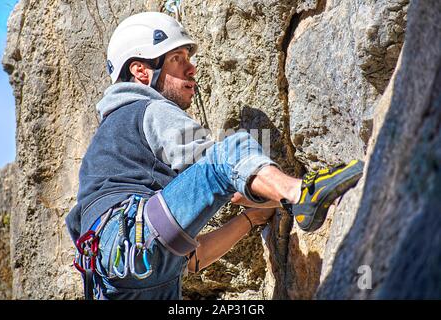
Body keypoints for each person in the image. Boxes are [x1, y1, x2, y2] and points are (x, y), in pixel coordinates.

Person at [65, 11, 364, 300]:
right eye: (176, 59)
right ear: (141, 71)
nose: (191, 68)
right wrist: (282, 193)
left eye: (188, 58)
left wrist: (253, 217)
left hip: (116, 270)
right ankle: (303, 192)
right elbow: (222, 166)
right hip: (131, 238)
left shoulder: (110, 149)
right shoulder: (150, 110)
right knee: (232, 148)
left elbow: (194, 258)